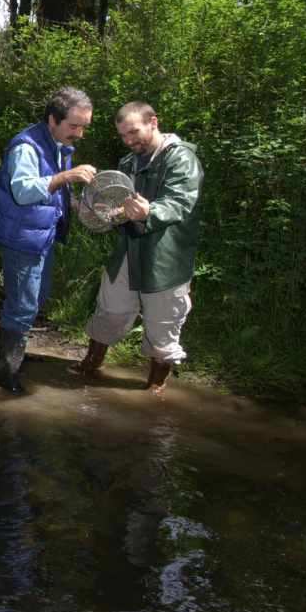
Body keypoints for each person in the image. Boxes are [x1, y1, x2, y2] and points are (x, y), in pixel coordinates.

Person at [71, 101, 203, 396]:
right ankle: (91, 363)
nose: (129, 141)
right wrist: (93, 211)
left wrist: (149, 212)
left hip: (166, 257)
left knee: (163, 322)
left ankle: (155, 385)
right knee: (110, 309)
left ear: (153, 122)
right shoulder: (127, 163)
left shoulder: (181, 159)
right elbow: (116, 210)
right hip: (127, 251)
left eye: (134, 132)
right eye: (123, 136)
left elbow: (180, 202)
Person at [0, 86, 97, 392]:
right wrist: (67, 177)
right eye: (74, 126)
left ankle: (13, 352)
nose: (79, 134)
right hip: (21, 237)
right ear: (52, 120)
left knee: (36, 299)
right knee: (22, 305)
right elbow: (23, 191)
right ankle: (6, 377)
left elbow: (50, 190)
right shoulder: (26, 147)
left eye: (84, 126)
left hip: (40, 234)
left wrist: (74, 203)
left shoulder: (57, 143)